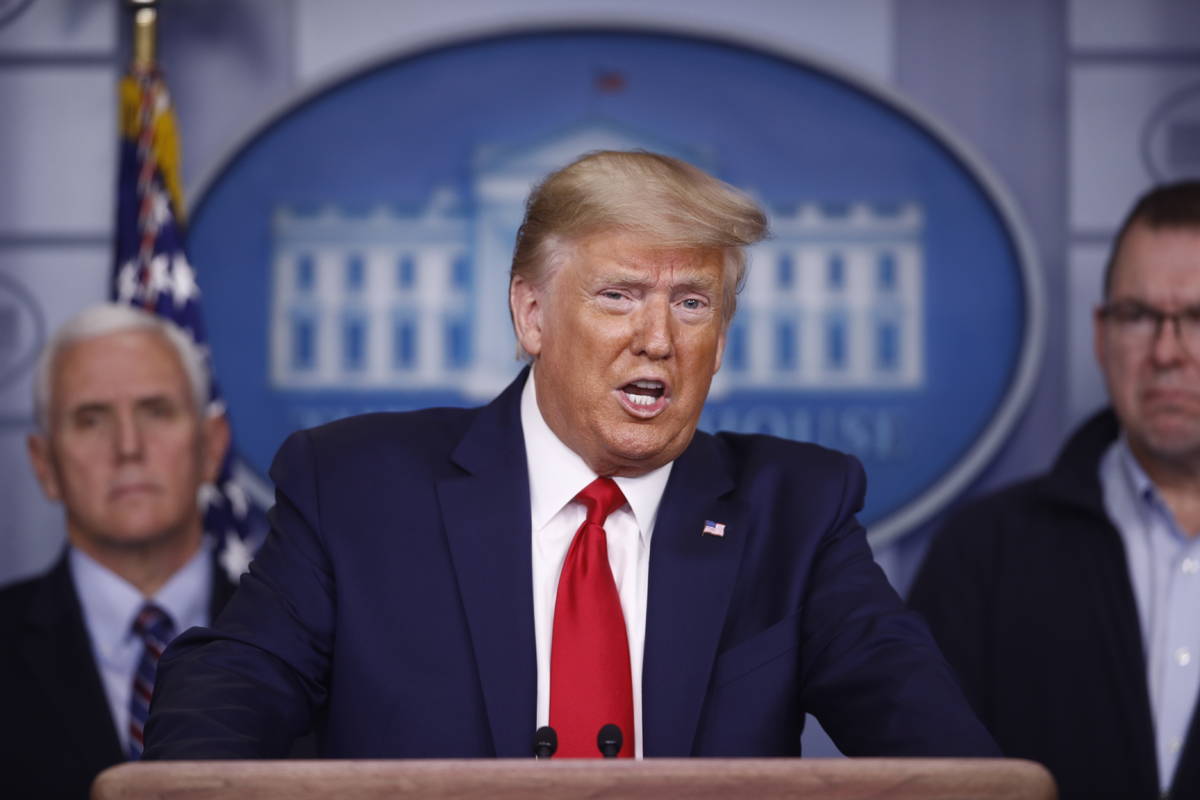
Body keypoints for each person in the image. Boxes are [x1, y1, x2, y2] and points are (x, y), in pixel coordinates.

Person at [145, 150, 996, 760]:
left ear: (722, 335)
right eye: (619, 295)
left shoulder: (795, 509)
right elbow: (233, 686)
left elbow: (934, 744)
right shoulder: (358, 488)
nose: (656, 339)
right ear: (532, 316)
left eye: (692, 302)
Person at [909, 181, 1200, 800]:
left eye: (1199, 318)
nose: (1167, 352)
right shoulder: (984, 555)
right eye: (1139, 316)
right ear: (1101, 335)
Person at [0, 305, 233, 797]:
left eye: (156, 411)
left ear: (212, 447)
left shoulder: (317, 652)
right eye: (91, 420)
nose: (128, 446)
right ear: (44, 465)